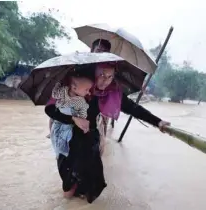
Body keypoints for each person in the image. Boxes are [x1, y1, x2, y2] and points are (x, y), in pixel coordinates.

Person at [45, 62, 170, 203]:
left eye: (110, 77)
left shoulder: (112, 92)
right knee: (68, 187)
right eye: (102, 75)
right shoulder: (77, 84)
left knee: (90, 185)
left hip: (88, 141)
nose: (105, 81)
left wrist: (158, 122)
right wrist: (74, 119)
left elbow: (133, 108)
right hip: (66, 140)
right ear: (94, 73)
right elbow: (50, 110)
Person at [46, 38, 112, 139]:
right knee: (57, 113)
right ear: (92, 50)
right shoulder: (81, 66)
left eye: (105, 52)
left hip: (91, 107)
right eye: (99, 51)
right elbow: (52, 106)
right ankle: (53, 133)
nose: (101, 55)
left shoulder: (108, 70)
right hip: (72, 102)